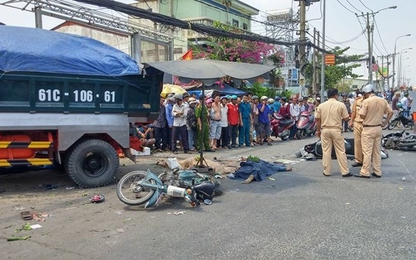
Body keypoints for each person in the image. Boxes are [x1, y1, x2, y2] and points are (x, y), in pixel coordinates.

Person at [355, 84, 393, 178]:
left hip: (368, 128)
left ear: (366, 93)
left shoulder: (366, 101)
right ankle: (377, 171)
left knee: (367, 152)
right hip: (378, 128)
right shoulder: (382, 100)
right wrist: (385, 123)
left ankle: (365, 171)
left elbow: (362, 115)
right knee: (376, 151)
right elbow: (390, 112)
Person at [315, 88, 352, 177]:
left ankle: (326, 171)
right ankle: (345, 171)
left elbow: (318, 120)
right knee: (340, 151)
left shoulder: (321, 105)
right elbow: (346, 118)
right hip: (336, 129)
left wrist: (318, 130)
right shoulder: (340, 105)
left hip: (325, 130)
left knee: (326, 151)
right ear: (336, 95)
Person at [348, 91, 364, 167]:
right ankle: (358, 160)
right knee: (357, 143)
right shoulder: (357, 101)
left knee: (366, 144)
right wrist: (351, 121)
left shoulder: (371, 101)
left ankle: (366, 160)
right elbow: (354, 112)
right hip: (358, 123)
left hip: (367, 125)